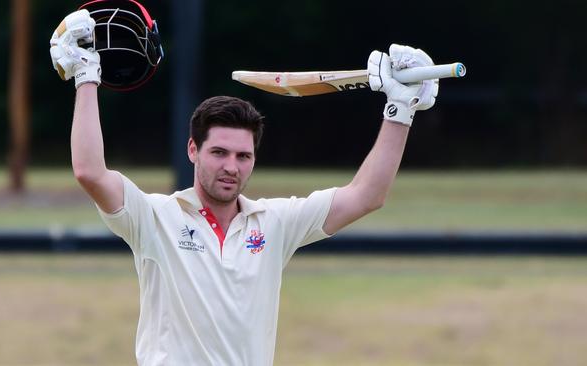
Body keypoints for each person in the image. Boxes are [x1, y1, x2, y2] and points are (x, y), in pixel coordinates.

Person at [50, 9, 438, 366]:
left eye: (242, 156)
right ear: (193, 150)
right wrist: (86, 77)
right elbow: (90, 172)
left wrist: (400, 110)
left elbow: (367, 195)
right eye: (219, 152)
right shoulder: (154, 217)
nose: (230, 167)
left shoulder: (274, 223)